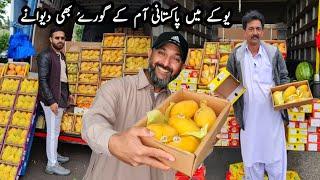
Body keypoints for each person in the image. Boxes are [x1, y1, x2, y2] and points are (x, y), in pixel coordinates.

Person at [81, 32, 188, 180]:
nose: (166, 63)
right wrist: (114, 141)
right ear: (150, 53)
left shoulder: (176, 106)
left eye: (175, 59)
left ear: (181, 67)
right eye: (161, 53)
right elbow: (91, 123)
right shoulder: (117, 87)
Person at [227, 10, 290, 180]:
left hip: (273, 119)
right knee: (252, 163)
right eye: (251, 29)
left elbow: (284, 77)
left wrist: (287, 97)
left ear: (262, 31)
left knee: (276, 163)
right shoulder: (237, 54)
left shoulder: (273, 53)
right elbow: (228, 80)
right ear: (244, 31)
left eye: (258, 29)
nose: (255, 32)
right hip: (249, 119)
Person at [37, 27, 74, 176]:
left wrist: (69, 94)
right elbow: (43, 81)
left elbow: (63, 78)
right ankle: (51, 164)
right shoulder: (45, 55)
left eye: (62, 38)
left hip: (61, 96)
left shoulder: (61, 56)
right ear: (50, 39)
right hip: (51, 99)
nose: (60, 40)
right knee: (52, 132)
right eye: (57, 38)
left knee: (56, 130)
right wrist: (51, 101)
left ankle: (54, 154)